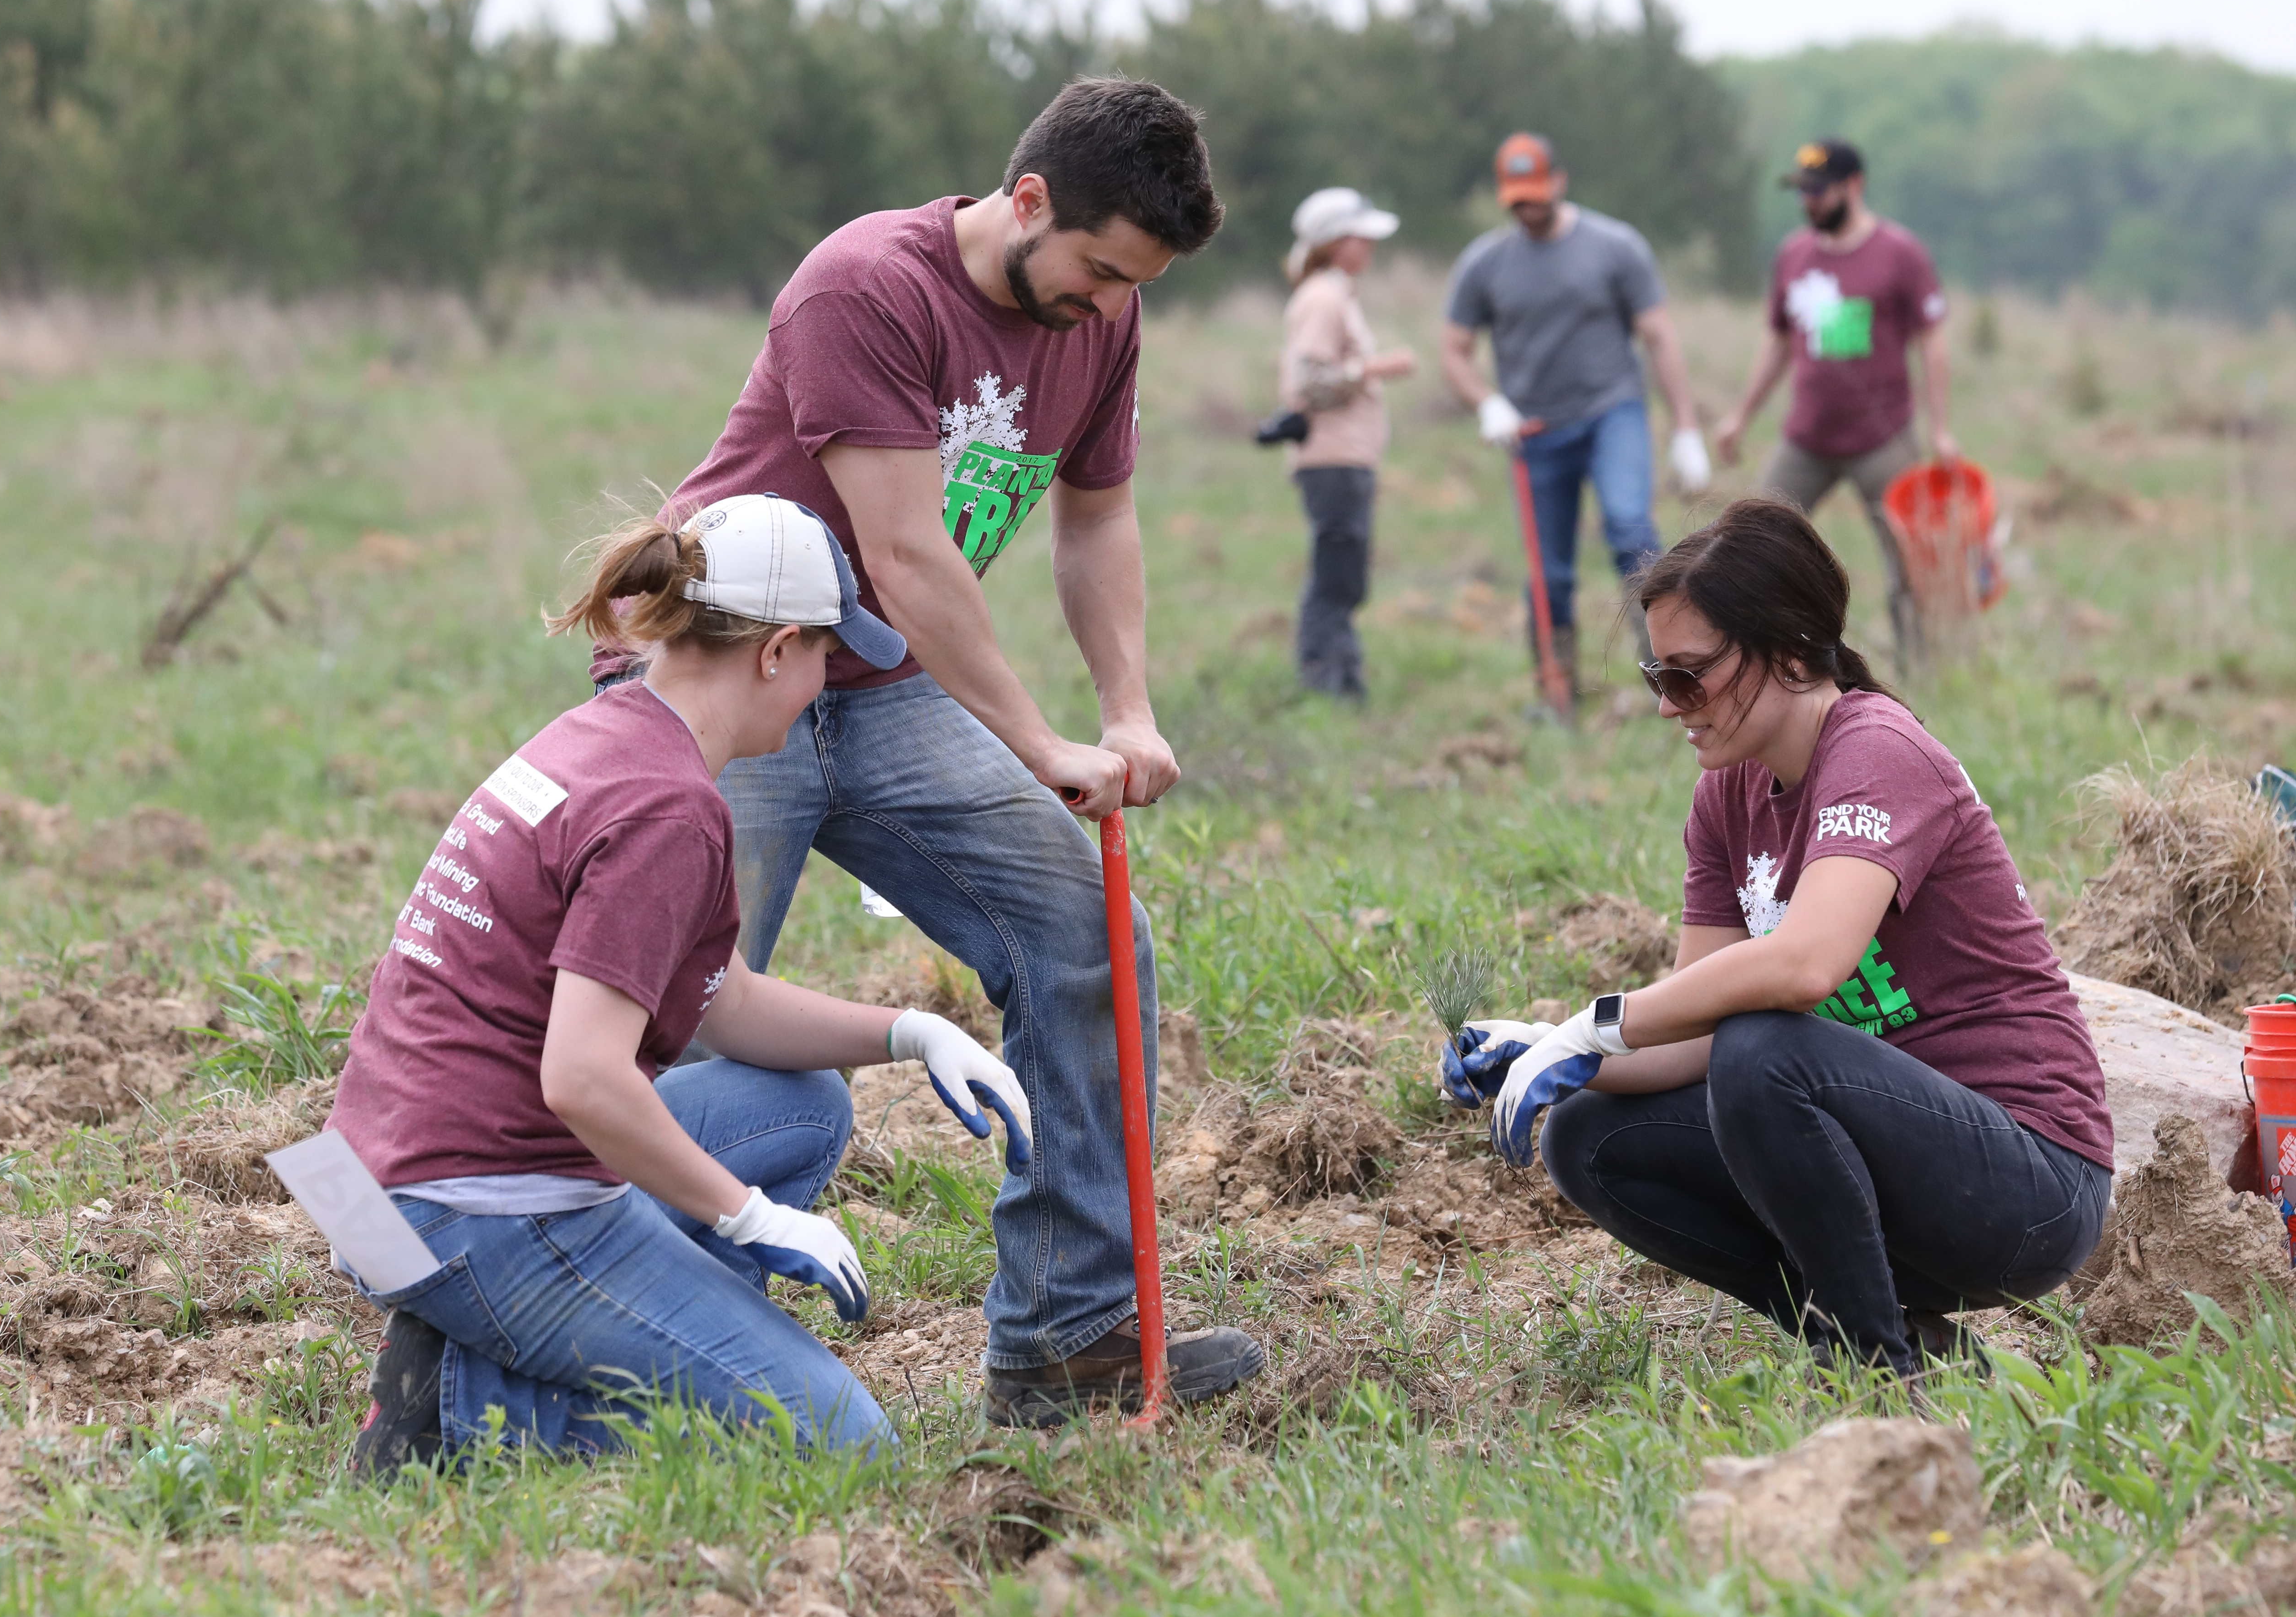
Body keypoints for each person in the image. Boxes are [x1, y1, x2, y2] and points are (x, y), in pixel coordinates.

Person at [636, 77, 1267, 1427]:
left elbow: (1094, 522)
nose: (1106, 305)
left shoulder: (1105, 317)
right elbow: (907, 547)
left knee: (1084, 934)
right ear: (1025, 199)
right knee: (663, 1002)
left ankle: (1065, 1334)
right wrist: (1036, 738)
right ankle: (580, 1329)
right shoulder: (865, 286)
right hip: (725, 677)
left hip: (880, 684)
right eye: (1096, 269)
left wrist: (1129, 708)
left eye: (1131, 284)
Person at [328, 495, 1038, 1469]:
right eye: (829, 655)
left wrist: (913, 1032)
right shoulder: (667, 810)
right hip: (464, 1209)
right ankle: (467, 1414)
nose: (827, 682)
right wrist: (747, 1214)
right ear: (777, 651)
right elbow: (582, 1077)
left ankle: (540, 1334)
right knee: (846, 1440)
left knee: (799, 1104)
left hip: (364, 1179)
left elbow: (723, 999)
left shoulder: (615, 734)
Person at [1440, 498, 2112, 1377]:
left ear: (1791, 651)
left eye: (1692, 675)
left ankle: (1883, 1374)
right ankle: (1890, 1343)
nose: (1668, 706)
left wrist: (1595, 1026)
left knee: (1763, 1049)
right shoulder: (1728, 794)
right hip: (1883, 1167)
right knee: (1586, 1135)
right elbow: (1688, 1038)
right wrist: (1554, 1049)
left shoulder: (1877, 750)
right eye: (1658, 678)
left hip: (2027, 1189)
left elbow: (1802, 968)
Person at [1439, 131, 1711, 675]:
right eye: (1517, 197)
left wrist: (1686, 429)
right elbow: (1454, 350)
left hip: (1613, 413)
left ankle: (1671, 669)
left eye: (1537, 193)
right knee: (1550, 571)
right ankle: (1556, 689)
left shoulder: (1615, 247)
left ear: (1560, 182)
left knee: (1631, 530)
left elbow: (1659, 336)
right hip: (1535, 431)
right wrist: (1487, 402)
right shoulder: (1485, 264)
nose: (1528, 206)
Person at [1712, 139, 1954, 671]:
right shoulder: (1794, 255)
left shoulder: (1900, 252)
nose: (1810, 203)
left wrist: (1941, 430)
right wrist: (1741, 415)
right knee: (1752, 545)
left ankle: (1926, 674)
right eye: (1802, 192)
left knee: (1910, 562)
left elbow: (1931, 339)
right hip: (1807, 439)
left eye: (1819, 192)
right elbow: (1777, 341)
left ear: (1854, 186)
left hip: (1883, 440)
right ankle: (1763, 665)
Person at [1274, 186, 1419, 702]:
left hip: (1345, 457)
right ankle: (1328, 681)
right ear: (1337, 243)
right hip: (1332, 456)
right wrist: (1378, 367)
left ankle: (1341, 674)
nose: (1370, 247)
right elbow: (1309, 381)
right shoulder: (1324, 298)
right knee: (1337, 573)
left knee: (1345, 571)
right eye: (1362, 237)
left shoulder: (1332, 293)